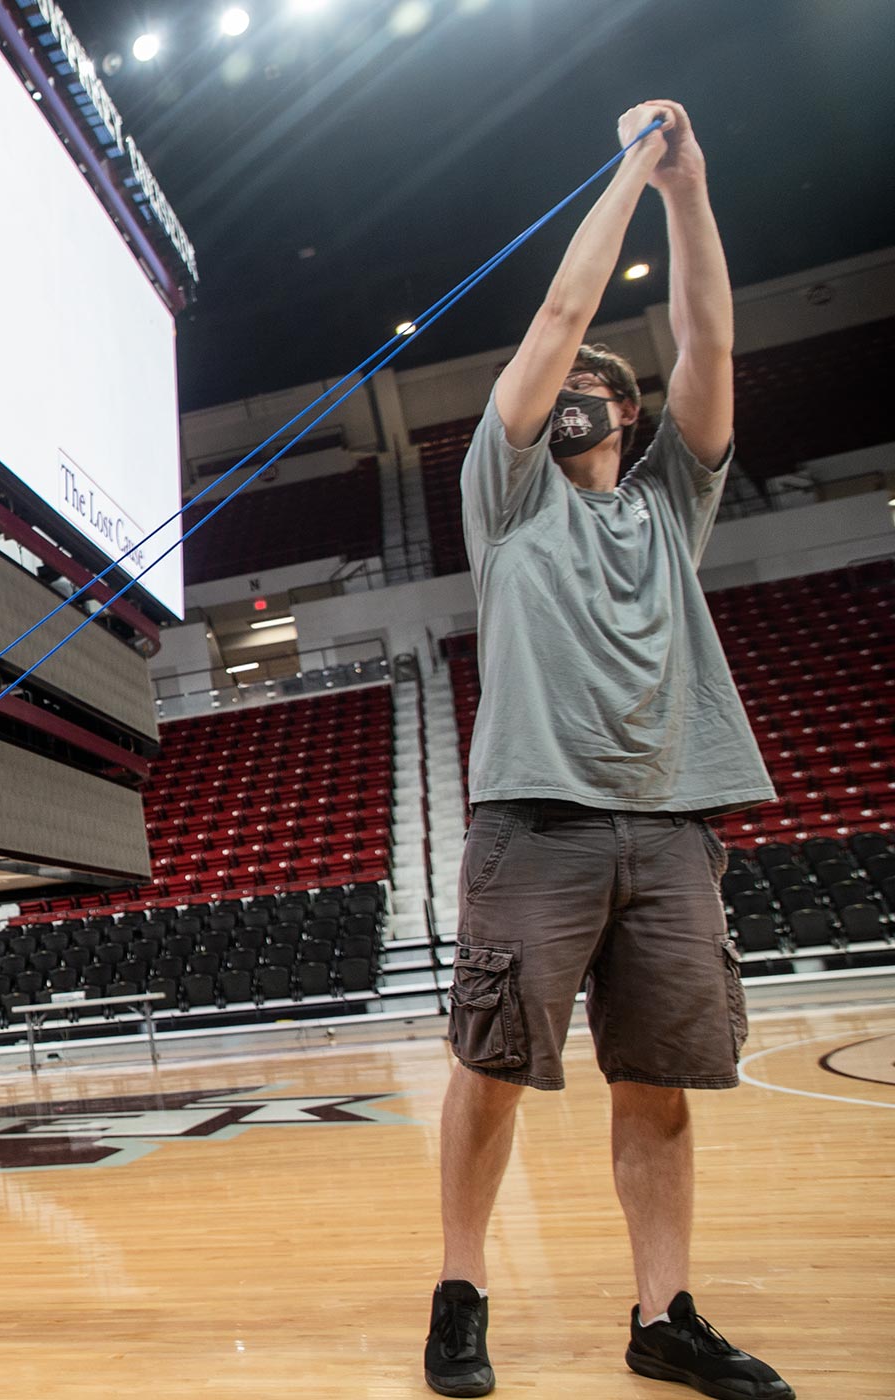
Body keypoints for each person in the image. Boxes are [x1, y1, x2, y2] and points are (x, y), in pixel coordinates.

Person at [426, 101, 792, 1400]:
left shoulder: (674, 499)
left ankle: (664, 1316)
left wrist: (692, 193)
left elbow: (708, 336)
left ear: (632, 421)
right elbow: (557, 320)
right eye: (571, 385)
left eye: (603, 390)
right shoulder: (507, 493)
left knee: (662, 1085)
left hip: (674, 820)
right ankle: (462, 1290)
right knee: (489, 1068)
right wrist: (637, 167)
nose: (580, 389)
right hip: (537, 818)